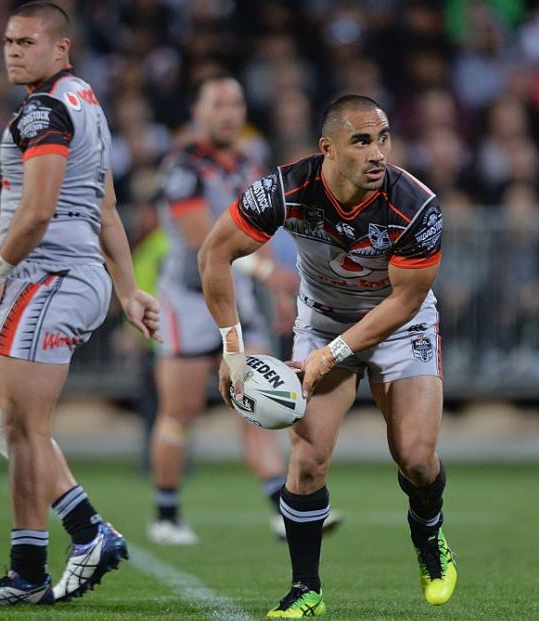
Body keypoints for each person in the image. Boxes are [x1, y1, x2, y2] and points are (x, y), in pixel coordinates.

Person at [198, 94, 456, 617]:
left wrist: (330, 356)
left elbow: (405, 301)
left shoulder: (417, 205)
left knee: (416, 458)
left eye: (383, 138)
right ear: (328, 148)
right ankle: (305, 589)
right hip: (321, 319)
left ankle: (429, 538)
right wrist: (233, 352)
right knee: (308, 460)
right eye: (361, 141)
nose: (377, 152)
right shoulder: (285, 189)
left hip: (400, 326)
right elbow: (215, 253)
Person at [0, 2, 161, 607]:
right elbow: (103, 206)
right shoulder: (84, 102)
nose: (13, 51)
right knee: (1, 417)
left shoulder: (44, 110)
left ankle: (32, 569)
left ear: (61, 48)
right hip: (68, 275)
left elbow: (40, 211)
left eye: (26, 41)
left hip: (50, 276)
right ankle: (84, 533)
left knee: (24, 427)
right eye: (8, 42)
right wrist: (126, 290)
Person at [148, 74, 339, 544]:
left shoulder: (250, 162)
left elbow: (262, 235)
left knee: (259, 399)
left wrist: (273, 288)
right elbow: (202, 241)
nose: (229, 113)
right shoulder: (182, 166)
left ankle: (280, 505)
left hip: (236, 299)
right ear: (198, 112)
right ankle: (166, 513)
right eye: (218, 104)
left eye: (235, 103)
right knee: (182, 410)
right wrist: (264, 275)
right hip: (190, 299)